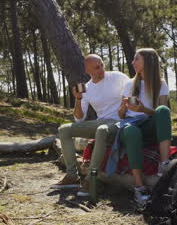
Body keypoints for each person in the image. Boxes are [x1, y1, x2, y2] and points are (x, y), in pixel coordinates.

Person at [51, 54, 129, 196]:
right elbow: (79, 119)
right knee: (64, 130)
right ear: (88, 71)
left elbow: (133, 91)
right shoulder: (87, 88)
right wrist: (79, 99)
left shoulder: (117, 77)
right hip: (101, 122)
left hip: (119, 122)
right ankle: (72, 176)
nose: (101, 69)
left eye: (102, 65)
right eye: (97, 68)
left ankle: (91, 180)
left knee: (101, 129)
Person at [118, 48, 172, 206]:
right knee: (132, 131)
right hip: (130, 126)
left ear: (147, 62)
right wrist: (123, 107)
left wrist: (143, 109)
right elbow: (121, 116)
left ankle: (164, 165)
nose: (132, 62)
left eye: (136, 59)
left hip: (149, 126)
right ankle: (139, 186)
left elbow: (161, 114)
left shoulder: (161, 84)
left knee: (163, 110)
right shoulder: (129, 84)